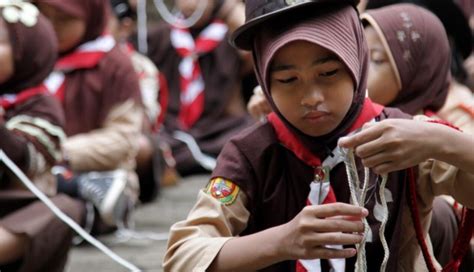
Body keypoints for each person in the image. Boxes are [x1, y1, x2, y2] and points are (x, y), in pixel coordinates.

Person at [164, 1, 474, 271]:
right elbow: (182, 256)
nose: (310, 96)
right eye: (287, 79)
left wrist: (442, 142)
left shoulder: (401, 136)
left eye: (328, 73)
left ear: (356, 59)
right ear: (262, 76)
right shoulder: (251, 153)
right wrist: (283, 241)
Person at [35, 0, 143, 228]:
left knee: (61, 213)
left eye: (64, 19)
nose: (52, 26)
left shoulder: (114, 64)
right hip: (30, 167)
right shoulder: (29, 57)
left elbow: (123, 139)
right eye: (44, 16)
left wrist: (52, 150)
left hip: (95, 173)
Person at [0, 2, 84, 271]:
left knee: (62, 211)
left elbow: (20, 160)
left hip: (11, 206)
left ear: (28, 51)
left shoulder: (40, 105)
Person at [143, 0, 254, 176]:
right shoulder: (162, 35)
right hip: (174, 131)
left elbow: (255, 47)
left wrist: (230, 8)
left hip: (219, 129)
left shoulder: (230, 34)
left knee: (249, 138)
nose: (191, 3)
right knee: (149, 145)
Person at [109, 0, 177, 203]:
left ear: (125, 26)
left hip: (119, 140)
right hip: (80, 144)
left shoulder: (139, 67)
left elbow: (143, 120)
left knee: (142, 146)